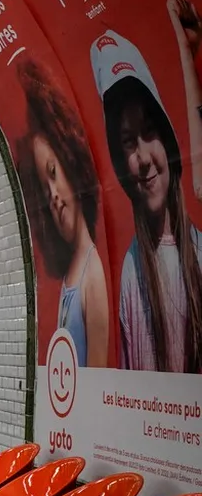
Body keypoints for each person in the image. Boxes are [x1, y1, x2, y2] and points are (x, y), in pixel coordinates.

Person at [92, 26, 202, 373]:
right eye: (127, 141)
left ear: (167, 141)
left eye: (149, 131)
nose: (142, 156)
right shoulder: (130, 273)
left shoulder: (200, 254)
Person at [15, 56, 109, 367]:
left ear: (71, 163)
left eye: (54, 173)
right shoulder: (71, 274)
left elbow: (96, 375)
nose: (53, 197)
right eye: (44, 189)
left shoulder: (92, 275)